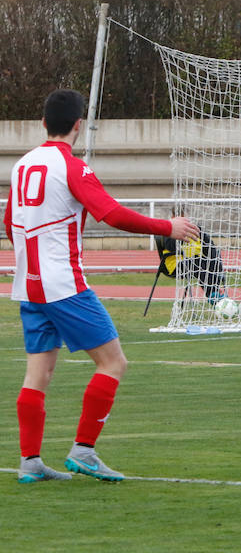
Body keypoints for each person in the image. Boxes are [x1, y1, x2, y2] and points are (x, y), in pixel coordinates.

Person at [6, 89, 199, 483]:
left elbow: (10, 223)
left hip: (29, 285)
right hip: (64, 285)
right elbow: (109, 213)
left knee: (37, 374)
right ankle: (84, 451)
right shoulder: (72, 167)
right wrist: (168, 227)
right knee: (114, 362)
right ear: (79, 125)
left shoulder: (22, 164)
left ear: (43, 123)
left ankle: (30, 463)